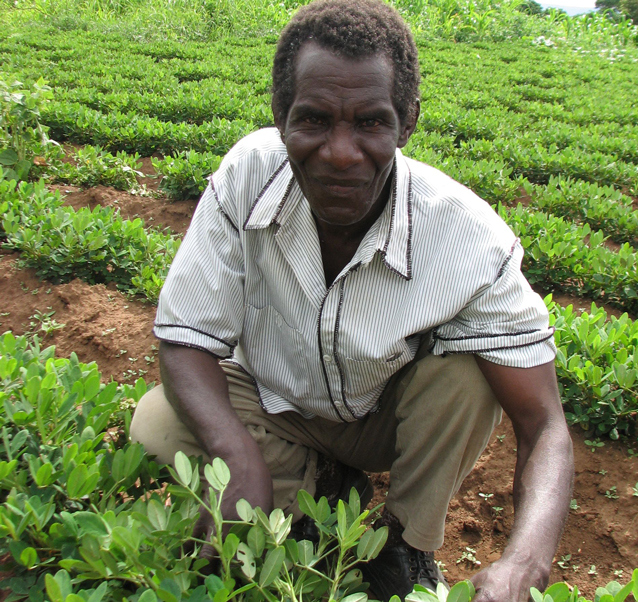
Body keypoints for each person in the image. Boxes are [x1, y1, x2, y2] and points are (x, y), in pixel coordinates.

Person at [130, 1, 574, 600]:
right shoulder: (248, 175)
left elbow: (544, 423)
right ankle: (322, 487)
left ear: (407, 122)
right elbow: (183, 336)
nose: (340, 152)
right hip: (274, 403)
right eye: (313, 120)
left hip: (380, 419)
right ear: (280, 115)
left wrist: (525, 563)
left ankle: (404, 546)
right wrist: (237, 455)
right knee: (156, 421)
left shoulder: (467, 237)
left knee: (471, 375)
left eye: (370, 122)